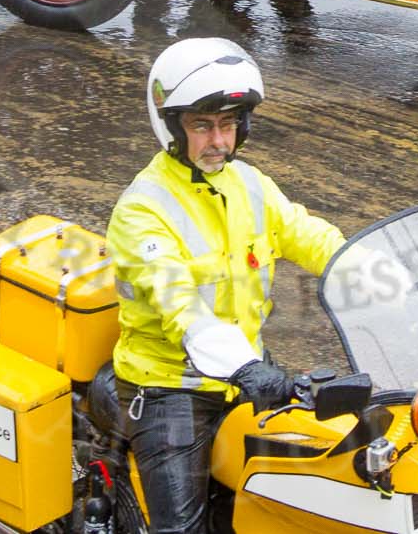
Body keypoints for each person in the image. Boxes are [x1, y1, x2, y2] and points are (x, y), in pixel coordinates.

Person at [105, 39, 345, 534]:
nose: (219, 140)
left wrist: (391, 274)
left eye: (229, 124)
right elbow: (181, 305)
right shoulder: (142, 210)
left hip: (246, 372)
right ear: (172, 127)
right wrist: (245, 367)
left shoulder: (248, 183)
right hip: (171, 384)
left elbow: (309, 234)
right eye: (202, 125)